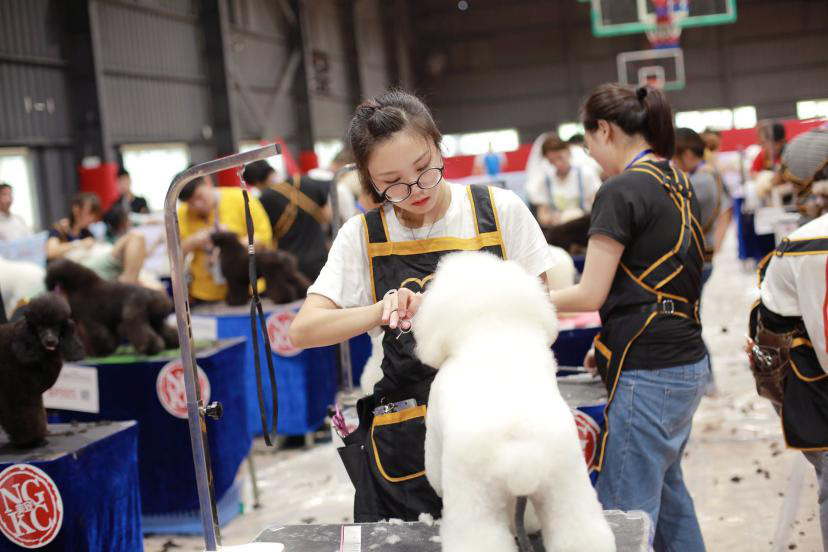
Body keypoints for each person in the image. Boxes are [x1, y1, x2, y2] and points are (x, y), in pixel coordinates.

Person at [289, 90, 554, 522]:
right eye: (391, 182)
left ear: (439, 145)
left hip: (497, 424)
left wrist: (460, 305)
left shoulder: (498, 212)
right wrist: (379, 311)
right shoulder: (363, 236)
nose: (414, 190)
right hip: (405, 440)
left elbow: (540, 315)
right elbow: (304, 330)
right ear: (368, 181)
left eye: (423, 169)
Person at [548, 84, 708, 551]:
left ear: (603, 130)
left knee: (621, 517)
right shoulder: (676, 178)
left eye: (589, 143)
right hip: (683, 364)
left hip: (651, 372)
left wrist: (522, 297)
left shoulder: (620, 189)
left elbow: (590, 292)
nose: (592, 155)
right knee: (671, 501)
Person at [178, 173, 272, 303]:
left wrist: (230, 245)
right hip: (206, 292)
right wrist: (193, 241)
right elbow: (175, 253)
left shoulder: (240, 198)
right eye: (190, 203)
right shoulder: (182, 213)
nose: (197, 205)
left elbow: (264, 236)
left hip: (247, 287)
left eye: (199, 197)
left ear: (207, 182)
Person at [241, 160, 330, 282]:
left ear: (255, 183)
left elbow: (264, 236)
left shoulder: (263, 200)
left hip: (289, 267)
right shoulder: (306, 182)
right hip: (321, 261)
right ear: (272, 170)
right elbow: (328, 215)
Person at [46, 192, 149, 284]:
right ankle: (128, 282)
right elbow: (51, 251)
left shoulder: (87, 233)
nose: (92, 219)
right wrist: (79, 244)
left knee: (138, 240)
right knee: (136, 237)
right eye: (89, 213)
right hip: (74, 270)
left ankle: (128, 281)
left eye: (94, 215)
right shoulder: (59, 229)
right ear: (76, 209)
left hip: (94, 266)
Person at [673, 128, 732, 284]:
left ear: (687, 154)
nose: (673, 162)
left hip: (697, 257)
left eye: (675, 156)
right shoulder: (706, 174)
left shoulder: (700, 180)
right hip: (701, 255)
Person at [527, 133, 602, 227]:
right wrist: (552, 218)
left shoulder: (586, 174)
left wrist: (579, 214)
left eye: (560, 158)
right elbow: (542, 215)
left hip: (585, 226)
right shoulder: (545, 181)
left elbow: (598, 206)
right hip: (560, 230)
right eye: (552, 161)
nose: (558, 164)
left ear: (568, 152)